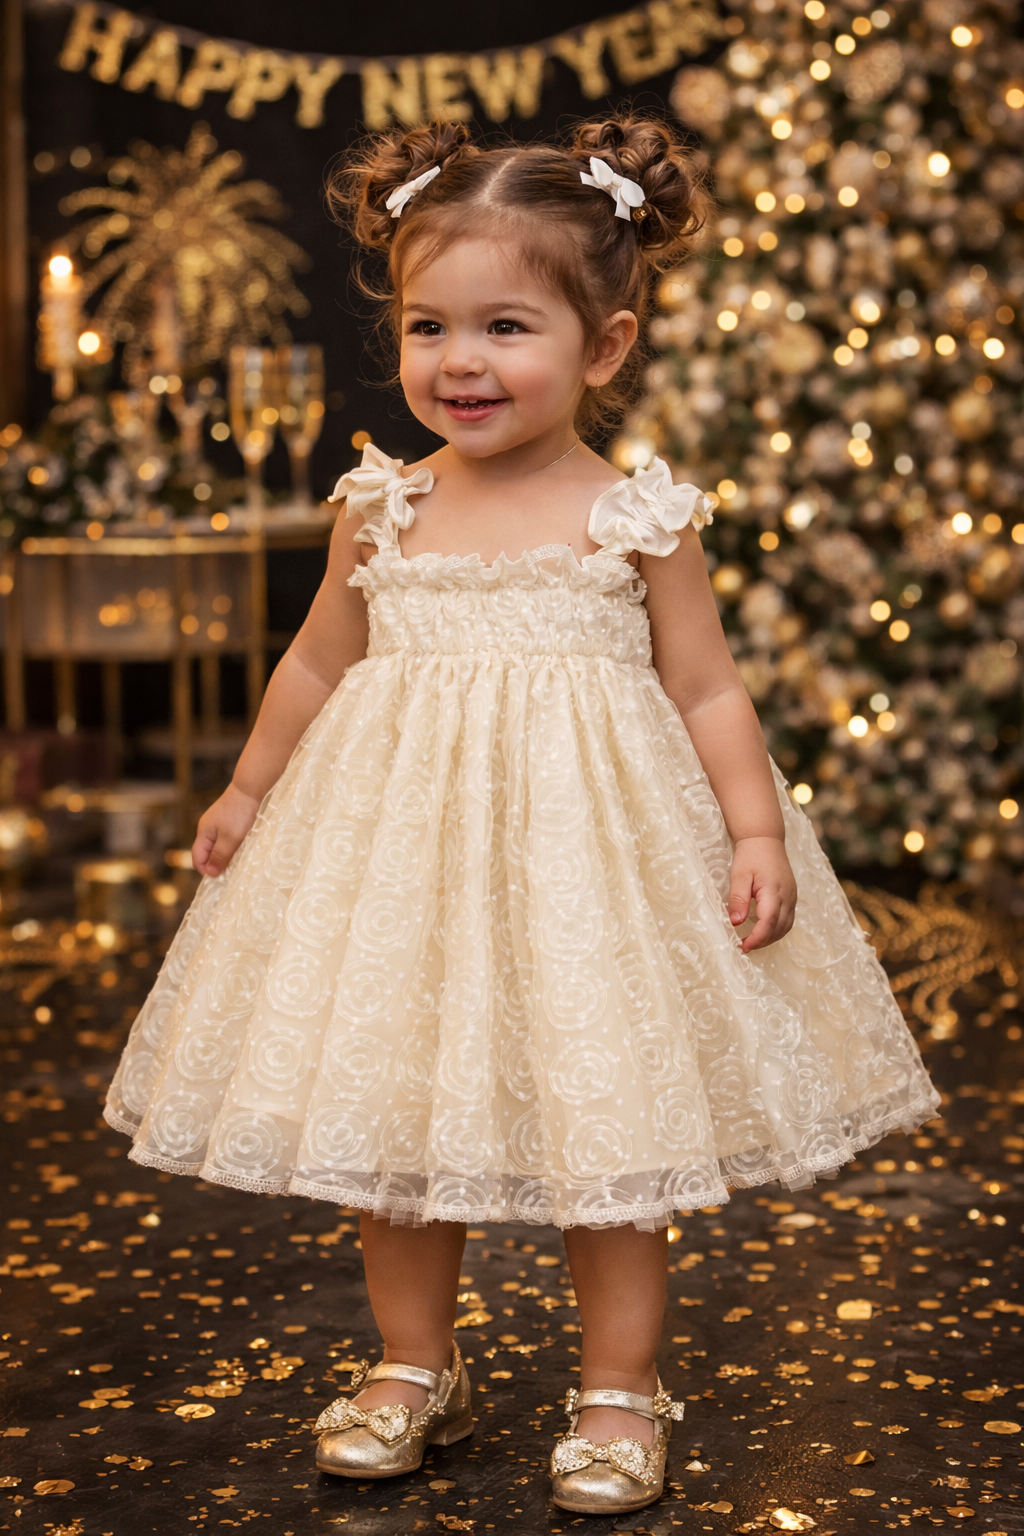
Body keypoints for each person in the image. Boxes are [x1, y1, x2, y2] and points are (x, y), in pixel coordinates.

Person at [103, 113, 939, 1516]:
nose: (460, 362)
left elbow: (710, 688)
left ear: (603, 345)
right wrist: (250, 789)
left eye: (505, 325)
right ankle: (412, 1365)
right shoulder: (384, 508)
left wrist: (751, 833)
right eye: (431, 326)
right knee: (399, 1118)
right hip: (402, 862)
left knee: (606, 1135)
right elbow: (318, 659)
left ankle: (619, 1388)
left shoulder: (636, 519)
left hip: (584, 873)